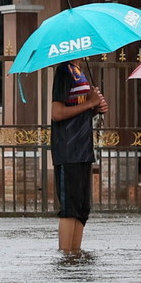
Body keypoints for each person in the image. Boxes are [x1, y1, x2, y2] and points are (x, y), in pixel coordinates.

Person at [50, 59, 107, 254]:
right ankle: (66, 255)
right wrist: (90, 102)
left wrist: (94, 109)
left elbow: (77, 113)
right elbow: (57, 113)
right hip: (67, 149)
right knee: (70, 207)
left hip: (83, 149)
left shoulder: (79, 72)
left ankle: (75, 254)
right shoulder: (64, 72)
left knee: (82, 209)